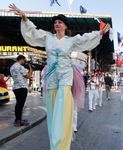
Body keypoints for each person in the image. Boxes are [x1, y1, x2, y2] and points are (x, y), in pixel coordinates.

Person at [9, 4, 110, 150]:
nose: (57, 24)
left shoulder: (71, 40)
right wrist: (24, 18)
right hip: (51, 77)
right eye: (55, 22)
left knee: (62, 110)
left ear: (65, 26)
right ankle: (54, 144)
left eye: (60, 22)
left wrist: (99, 33)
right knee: (52, 111)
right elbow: (33, 33)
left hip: (65, 77)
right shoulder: (47, 38)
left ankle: (62, 144)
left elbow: (84, 39)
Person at [10, 55, 32, 127]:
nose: (24, 62)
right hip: (22, 87)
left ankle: (18, 119)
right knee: (20, 105)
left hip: (15, 87)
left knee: (18, 104)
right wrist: (30, 70)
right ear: (21, 59)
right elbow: (28, 76)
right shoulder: (20, 67)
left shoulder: (12, 67)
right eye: (24, 60)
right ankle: (18, 121)